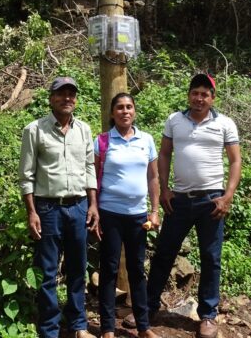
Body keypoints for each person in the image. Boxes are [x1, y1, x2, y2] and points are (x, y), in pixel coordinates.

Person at [126, 73, 241, 338]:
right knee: (164, 253)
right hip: (179, 199)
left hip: (212, 200)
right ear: (189, 95)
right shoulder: (174, 120)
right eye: (195, 93)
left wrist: (228, 196)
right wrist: (165, 189)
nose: (199, 98)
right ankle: (148, 308)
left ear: (212, 98)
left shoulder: (224, 123)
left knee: (211, 258)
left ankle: (208, 315)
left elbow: (235, 161)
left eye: (205, 94)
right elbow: (165, 154)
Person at [18, 76, 99, 338]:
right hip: (48, 209)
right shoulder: (35, 130)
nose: (67, 98)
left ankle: (78, 326)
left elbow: (89, 168)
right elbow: (26, 175)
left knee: (78, 269)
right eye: (61, 94)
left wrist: (93, 205)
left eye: (71, 94)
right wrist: (32, 212)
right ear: (51, 99)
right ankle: (49, 330)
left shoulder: (83, 130)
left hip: (79, 207)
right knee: (47, 272)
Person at [96, 93, 161, 338]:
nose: (125, 111)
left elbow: (153, 177)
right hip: (109, 214)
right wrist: (94, 209)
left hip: (138, 216)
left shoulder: (146, 140)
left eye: (129, 107)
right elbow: (93, 177)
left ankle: (143, 327)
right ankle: (107, 328)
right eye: (120, 108)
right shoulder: (102, 141)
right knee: (109, 270)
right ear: (112, 113)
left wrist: (154, 211)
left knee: (137, 270)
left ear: (134, 111)